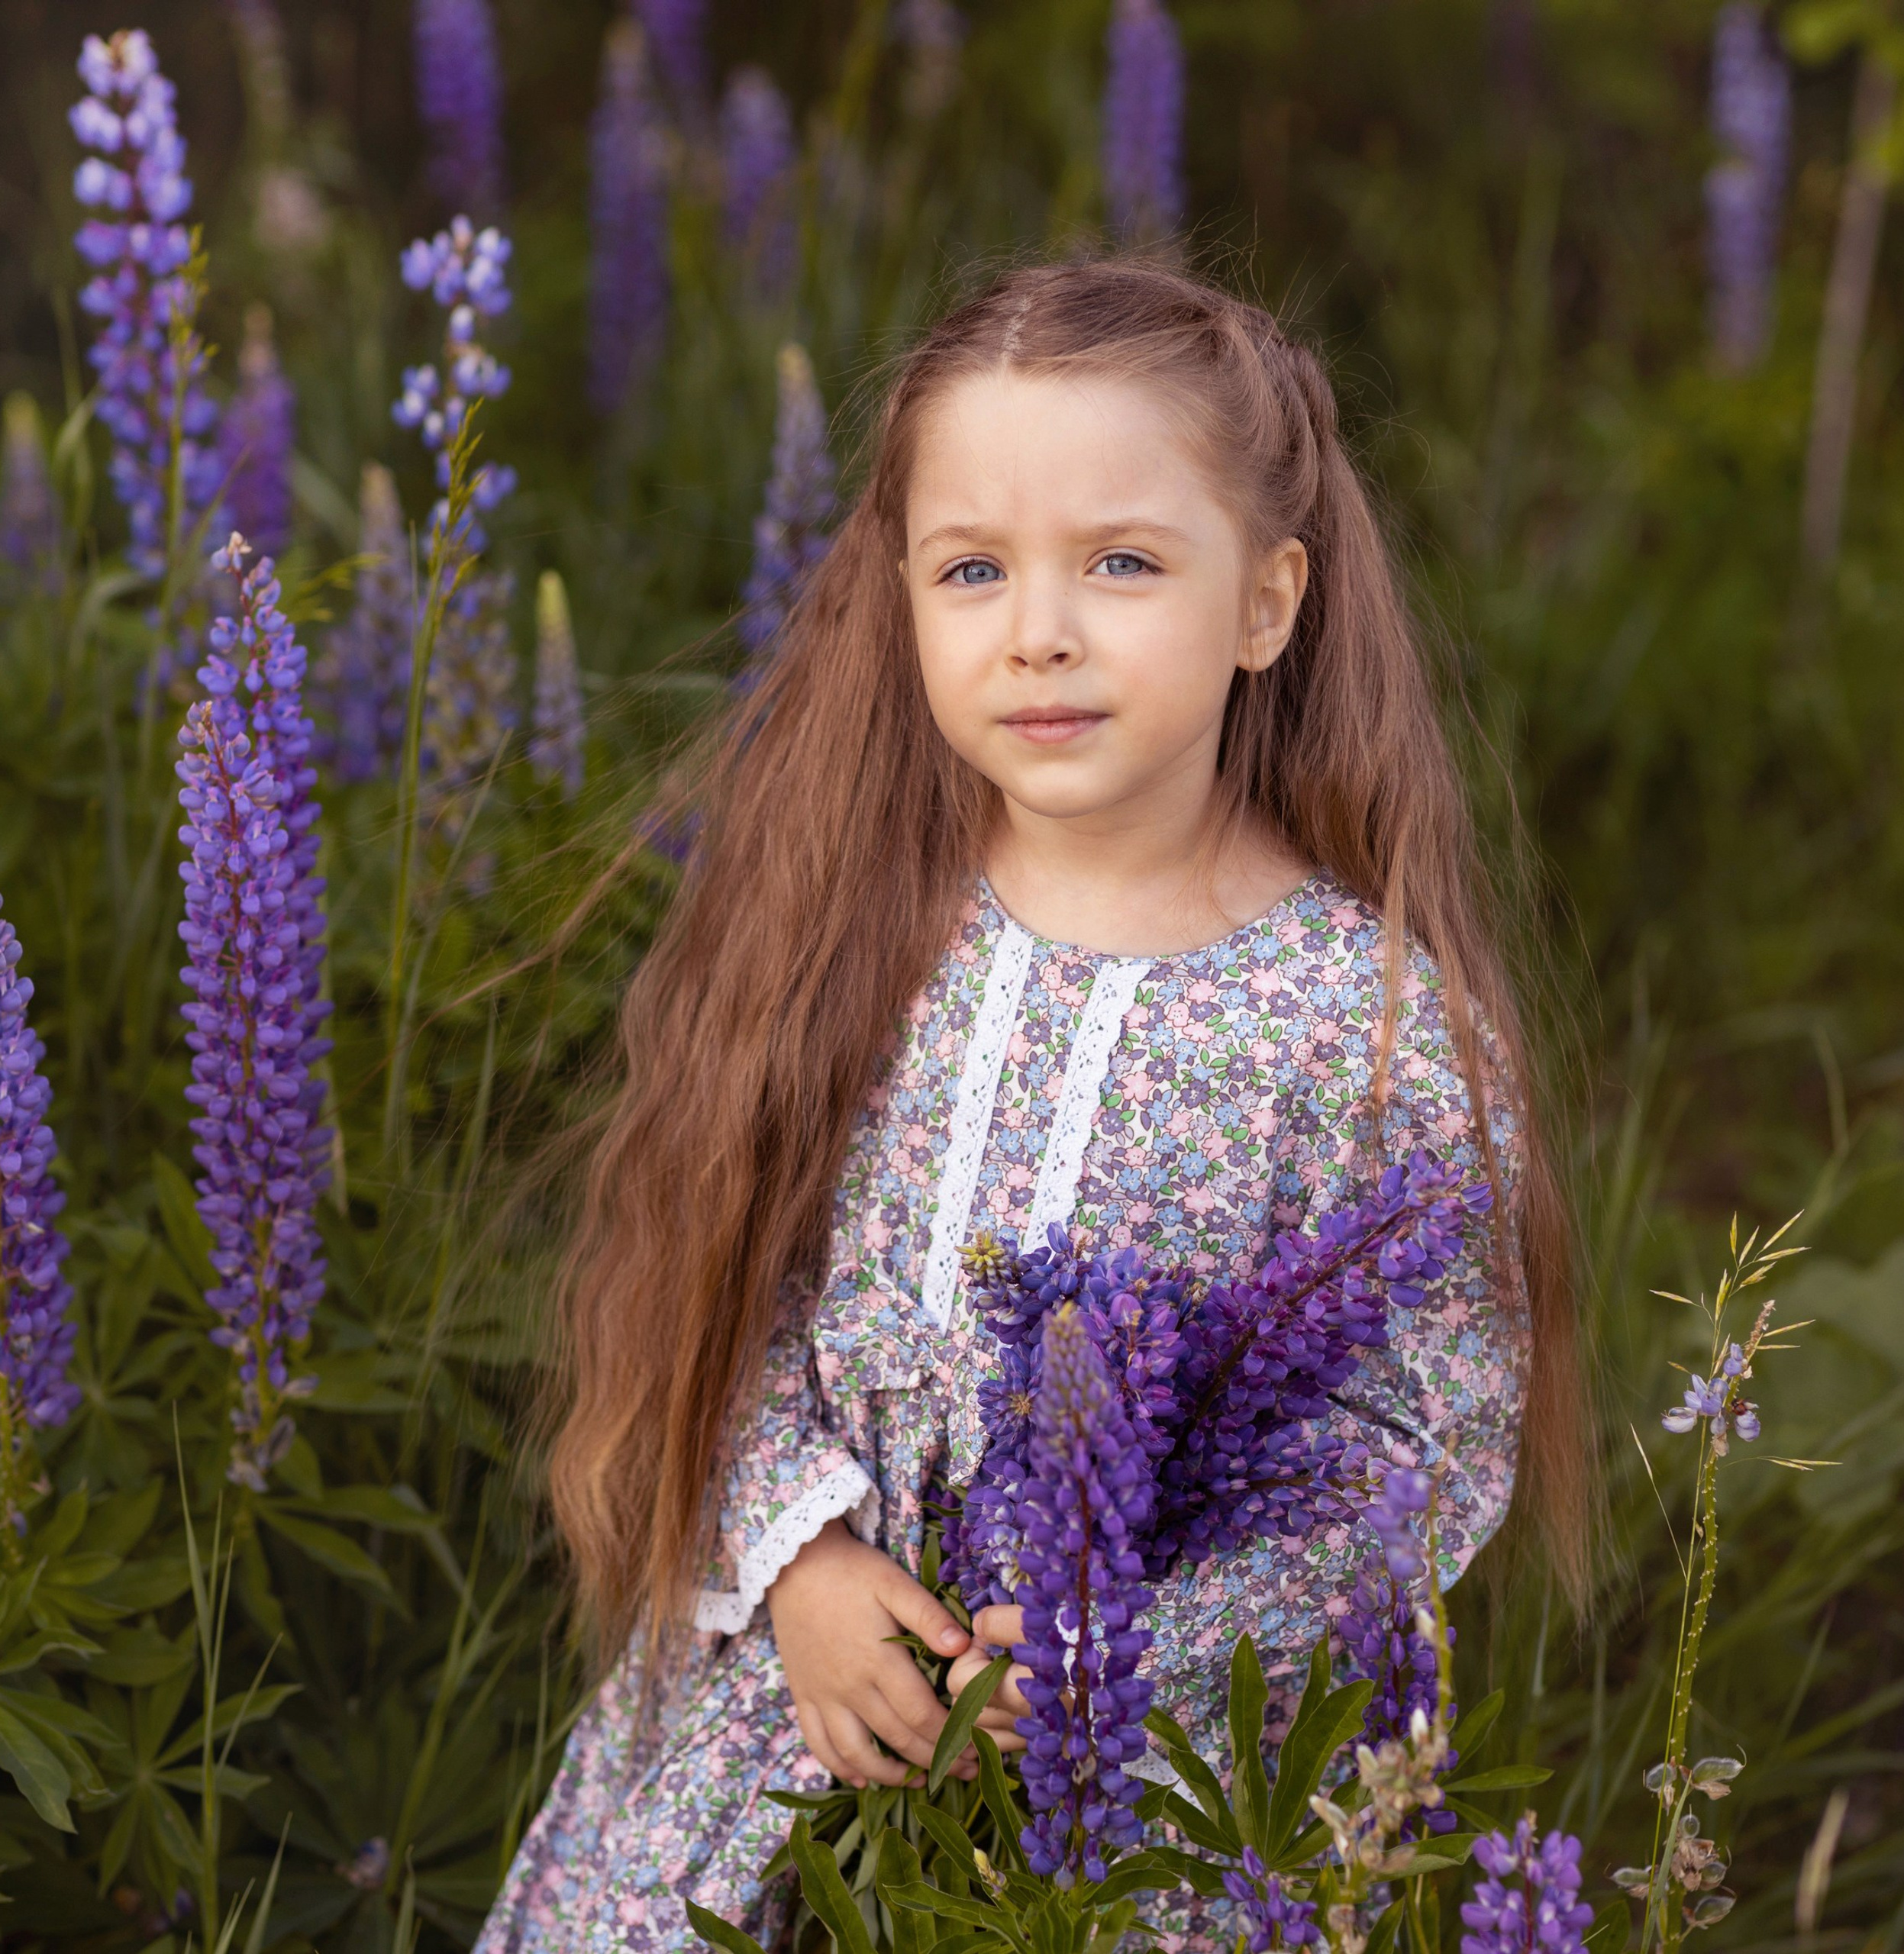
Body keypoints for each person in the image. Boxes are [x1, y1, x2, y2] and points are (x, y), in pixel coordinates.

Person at [476, 257, 1586, 1952]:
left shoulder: (1357, 1019)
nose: (1039, 629)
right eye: (973, 568)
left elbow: (1413, 1433)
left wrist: (1119, 1647)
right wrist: (794, 1559)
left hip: (1131, 1778)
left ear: (1264, 602)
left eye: (1122, 562)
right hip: (787, 1713)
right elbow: (720, 1272)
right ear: (903, 594)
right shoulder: (854, 919)